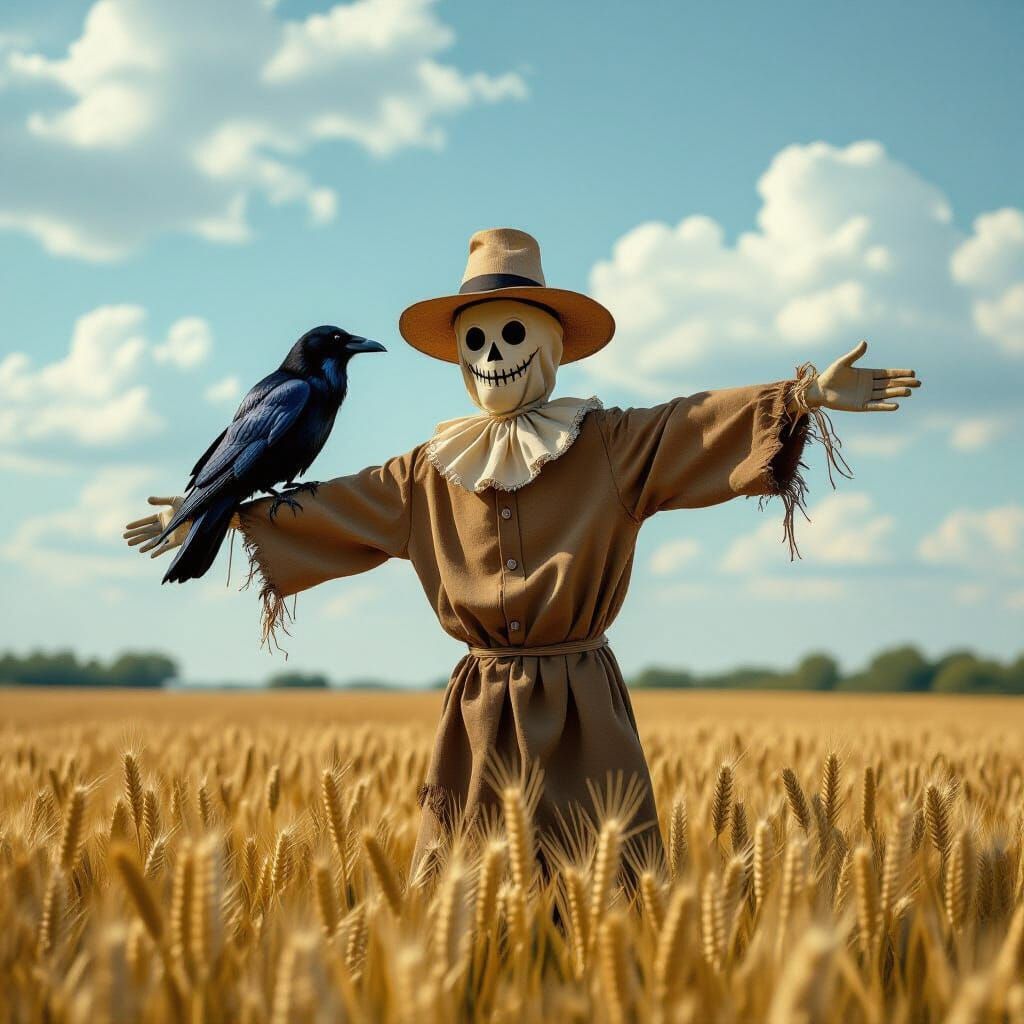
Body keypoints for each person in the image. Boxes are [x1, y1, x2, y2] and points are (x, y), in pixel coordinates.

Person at [124, 227, 921, 877]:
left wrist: (802, 396)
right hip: (478, 719)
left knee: (601, 893)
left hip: (585, 716)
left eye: (511, 333)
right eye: (475, 339)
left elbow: (691, 424)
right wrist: (211, 510)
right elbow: (333, 505)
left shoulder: (610, 444)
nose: (493, 351)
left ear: (553, 345)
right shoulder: (428, 471)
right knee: (470, 900)